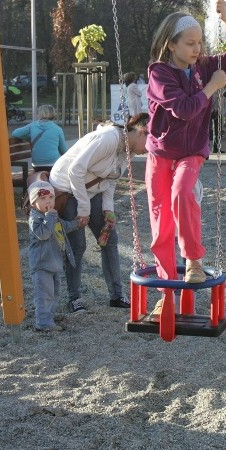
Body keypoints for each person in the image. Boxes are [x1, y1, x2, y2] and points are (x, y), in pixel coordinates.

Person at [145, 0, 226, 284]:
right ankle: (167, 288)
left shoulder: (203, 66)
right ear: (172, 45)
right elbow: (183, 109)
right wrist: (211, 88)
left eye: (199, 42)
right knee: (161, 223)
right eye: (190, 43)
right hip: (161, 153)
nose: (197, 48)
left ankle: (193, 259)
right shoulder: (159, 74)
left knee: (182, 193)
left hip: (191, 151)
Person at [50, 112, 151, 313]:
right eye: (151, 142)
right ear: (141, 132)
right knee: (78, 245)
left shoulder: (128, 151)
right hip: (68, 188)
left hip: (90, 190)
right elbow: (75, 171)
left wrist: (108, 209)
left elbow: (111, 180)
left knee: (109, 239)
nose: (149, 150)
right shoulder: (108, 138)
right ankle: (74, 298)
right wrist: (84, 209)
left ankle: (116, 295)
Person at [27, 180, 79, 332]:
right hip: (42, 263)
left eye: (50, 198)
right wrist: (50, 217)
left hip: (55, 261)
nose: (48, 202)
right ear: (33, 203)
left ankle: (49, 315)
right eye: (42, 199)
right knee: (44, 294)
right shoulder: (35, 219)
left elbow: (62, 227)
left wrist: (77, 223)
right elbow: (43, 234)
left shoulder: (52, 216)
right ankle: (43, 322)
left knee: (55, 292)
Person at [11, 104, 67, 173]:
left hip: (37, 165)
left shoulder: (33, 125)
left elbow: (15, 133)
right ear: (53, 114)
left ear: (40, 114)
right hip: (52, 165)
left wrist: (30, 137)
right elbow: (64, 151)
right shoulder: (57, 129)